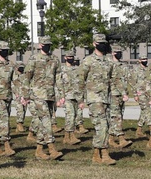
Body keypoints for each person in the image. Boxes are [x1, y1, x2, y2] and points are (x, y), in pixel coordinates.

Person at [21, 36, 64, 161]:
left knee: (42, 123)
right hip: (37, 95)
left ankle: (39, 150)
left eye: (49, 44)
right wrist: (25, 95)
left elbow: (59, 78)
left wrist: (61, 95)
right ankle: (51, 148)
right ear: (40, 45)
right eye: (44, 44)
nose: (47, 46)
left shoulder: (54, 59)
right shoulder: (34, 58)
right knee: (46, 121)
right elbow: (26, 77)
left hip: (50, 95)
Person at [78, 33, 117, 165]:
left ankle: (96, 153)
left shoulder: (108, 61)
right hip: (94, 98)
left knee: (105, 125)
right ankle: (104, 153)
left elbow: (111, 79)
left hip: (106, 98)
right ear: (94, 44)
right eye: (100, 42)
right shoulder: (88, 60)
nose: (102, 45)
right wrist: (80, 99)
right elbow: (80, 80)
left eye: (104, 43)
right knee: (102, 125)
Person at [108, 46, 133, 148]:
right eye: (117, 52)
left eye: (120, 52)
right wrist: (123, 93)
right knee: (116, 116)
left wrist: (135, 91)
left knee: (119, 117)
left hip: (123, 95)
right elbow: (114, 81)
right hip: (114, 94)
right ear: (113, 53)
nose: (119, 54)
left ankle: (110, 138)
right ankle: (121, 139)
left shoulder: (123, 65)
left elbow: (129, 78)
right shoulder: (109, 65)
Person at [56, 51, 81, 145]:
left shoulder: (77, 70)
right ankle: (69, 136)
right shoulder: (61, 70)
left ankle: (69, 135)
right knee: (70, 115)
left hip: (75, 96)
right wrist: (60, 97)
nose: (71, 58)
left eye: (72, 56)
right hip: (66, 96)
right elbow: (58, 84)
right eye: (69, 56)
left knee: (74, 116)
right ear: (65, 58)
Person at [132, 55, 151, 137]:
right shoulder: (136, 70)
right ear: (139, 60)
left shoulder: (149, 69)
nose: (145, 60)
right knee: (147, 109)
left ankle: (139, 130)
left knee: (144, 111)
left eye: (146, 59)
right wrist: (135, 94)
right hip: (140, 93)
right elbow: (133, 83)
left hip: (148, 93)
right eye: (143, 59)